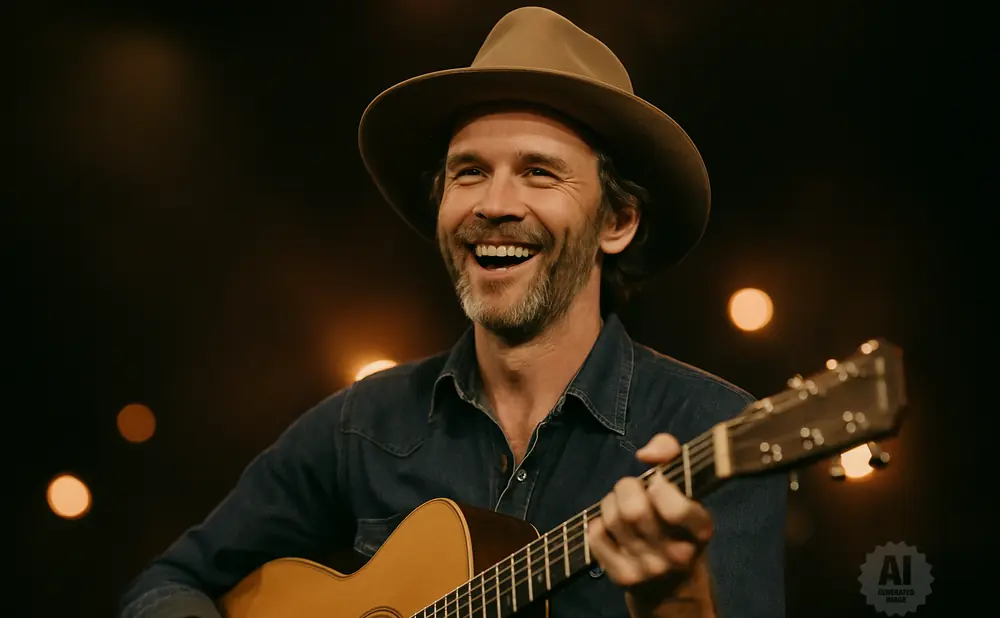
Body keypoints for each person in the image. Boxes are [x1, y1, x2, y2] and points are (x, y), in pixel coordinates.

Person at [118, 7, 786, 618]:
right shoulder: (363, 426)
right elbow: (165, 586)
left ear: (617, 220)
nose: (494, 204)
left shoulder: (715, 429)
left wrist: (674, 596)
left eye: (539, 173)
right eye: (468, 172)